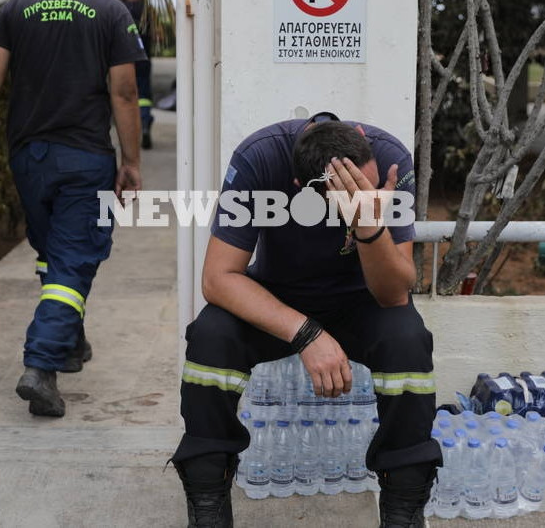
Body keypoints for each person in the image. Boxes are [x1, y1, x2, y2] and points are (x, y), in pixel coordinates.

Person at [172, 113, 441, 528]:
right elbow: (217, 278)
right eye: (349, 194)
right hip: (280, 297)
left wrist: (368, 227)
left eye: (367, 188)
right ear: (304, 191)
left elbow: (394, 293)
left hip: (364, 300)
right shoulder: (259, 157)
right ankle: (208, 502)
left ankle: (403, 507)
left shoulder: (390, 160)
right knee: (211, 335)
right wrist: (306, 334)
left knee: (407, 339)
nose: (364, 194)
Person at [0, 0, 146, 418]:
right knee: (75, 258)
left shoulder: (18, 6)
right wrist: (131, 161)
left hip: (29, 157)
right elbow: (124, 92)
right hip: (84, 157)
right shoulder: (110, 10)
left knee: (53, 252)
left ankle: (68, 340)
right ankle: (41, 366)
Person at [122, 0, 155, 149]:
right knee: (144, 95)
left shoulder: (121, 9)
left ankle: (129, 132)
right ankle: (144, 123)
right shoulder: (146, 10)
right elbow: (156, 35)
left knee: (125, 95)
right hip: (144, 58)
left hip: (125, 59)